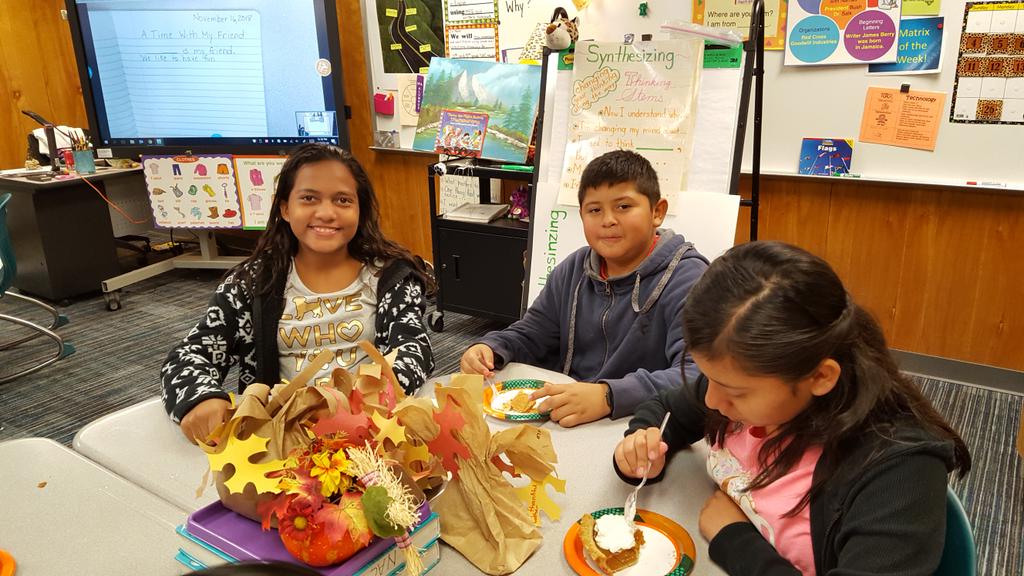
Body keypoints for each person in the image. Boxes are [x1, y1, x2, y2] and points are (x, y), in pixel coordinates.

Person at [614, 241, 971, 575]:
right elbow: (667, 409)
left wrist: (733, 538)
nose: (711, 401)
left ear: (819, 377)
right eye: (709, 378)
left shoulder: (898, 471)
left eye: (735, 392)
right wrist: (641, 445)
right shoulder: (744, 385)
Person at [162, 143, 434, 443]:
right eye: (309, 198)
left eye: (343, 200)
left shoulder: (389, 278)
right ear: (285, 208)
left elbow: (412, 349)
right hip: (281, 439)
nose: (326, 213)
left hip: (369, 432)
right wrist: (200, 398)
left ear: (361, 210)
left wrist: (367, 398)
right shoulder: (253, 284)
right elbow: (189, 356)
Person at [460, 150, 708, 427]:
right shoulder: (574, 268)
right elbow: (532, 332)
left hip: (640, 424)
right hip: (566, 413)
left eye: (624, 206)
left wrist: (608, 395)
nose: (608, 220)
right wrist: (491, 347)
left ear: (657, 212)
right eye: (594, 210)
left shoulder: (690, 279)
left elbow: (699, 375)